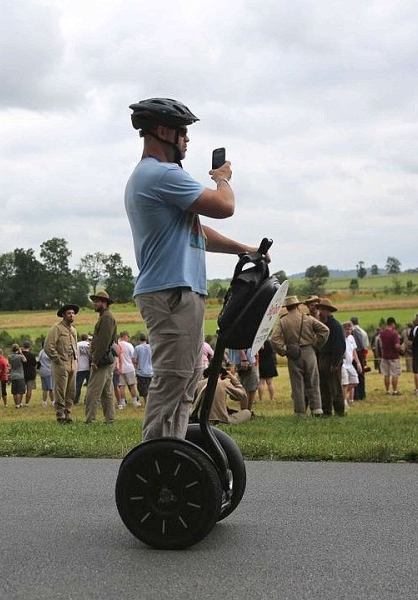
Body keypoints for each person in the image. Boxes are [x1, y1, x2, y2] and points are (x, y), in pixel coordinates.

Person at [125, 97, 258, 441]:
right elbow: (224, 206)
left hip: (178, 291)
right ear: (164, 131)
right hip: (171, 292)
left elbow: (198, 232)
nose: (187, 140)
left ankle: (173, 449)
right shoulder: (160, 173)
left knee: (187, 377)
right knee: (174, 379)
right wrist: (222, 178)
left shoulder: (157, 177)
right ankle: (158, 457)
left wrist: (243, 249)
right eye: (183, 132)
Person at [270, 295, 329, 417]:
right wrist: (316, 344)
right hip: (309, 352)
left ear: (287, 308)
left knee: (297, 385)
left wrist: (284, 351)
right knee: (313, 381)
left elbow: (274, 339)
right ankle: (317, 409)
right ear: (298, 306)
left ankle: (300, 412)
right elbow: (325, 330)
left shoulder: (283, 321)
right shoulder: (307, 319)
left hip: (293, 354)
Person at [84, 291, 117, 424]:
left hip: (101, 360)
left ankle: (90, 419)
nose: (95, 304)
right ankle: (110, 419)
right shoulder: (105, 316)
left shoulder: (106, 318)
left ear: (104, 303)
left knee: (92, 392)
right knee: (106, 392)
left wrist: (95, 361)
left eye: (97, 301)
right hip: (105, 359)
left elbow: (103, 342)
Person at [44, 304, 79, 423]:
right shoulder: (56, 328)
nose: (72, 315)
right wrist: (57, 359)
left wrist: (76, 360)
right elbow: (48, 346)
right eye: (69, 313)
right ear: (63, 315)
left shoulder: (74, 330)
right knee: (60, 390)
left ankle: (68, 413)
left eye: (73, 313)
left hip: (72, 363)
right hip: (61, 364)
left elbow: (75, 346)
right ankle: (60, 415)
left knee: (71, 390)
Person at [317, 298, 346, 417]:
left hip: (332, 360)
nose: (320, 312)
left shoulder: (336, 326)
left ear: (328, 311)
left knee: (335, 388)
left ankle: (339, 411)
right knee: (324, 387)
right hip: (323, 359)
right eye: (320, 309)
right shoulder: (322, 325)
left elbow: (340, 346)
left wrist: (335, 363)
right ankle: (326, 411)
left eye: (322, 310)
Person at [227, 347, 258, 412]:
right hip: (246, 359)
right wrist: (244, 359)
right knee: (248, 386)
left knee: (251, 386)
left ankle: (247, 411)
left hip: (246, 358)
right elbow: (240, 343)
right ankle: (246, 412)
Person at [115, 331, 140, 409]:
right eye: (128, 337)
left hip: (119, 368)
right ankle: (135, 401)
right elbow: (133, 357)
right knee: (132, 385)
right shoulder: (129, 345)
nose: (128, 338)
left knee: (121, 386)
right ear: (124, 336)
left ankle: (122, 402)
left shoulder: (117, 344)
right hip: (129, 367)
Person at [341, 321, 362, 407]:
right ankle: (343, 401)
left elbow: (354, 351)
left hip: (350, 364)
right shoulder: (340, 338)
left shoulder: (351, 338)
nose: (349, 331)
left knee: (355, 382)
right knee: (345, 383)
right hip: (342, 364)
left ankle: (340, 394)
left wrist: (358, 363)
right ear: (343, 329)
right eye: (347, 329)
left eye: (350, 329)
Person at [379, 317, 403, 396]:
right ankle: (395, 391)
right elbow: (396, 346)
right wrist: (401, 348)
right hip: (393, 356)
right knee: (394, 374)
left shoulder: (382, 333)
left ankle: (387, 390)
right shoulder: (394, 333)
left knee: (386, 374)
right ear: (393, 323)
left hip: (385, 355)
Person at [350, 316, 370, 400]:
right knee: (361, 374)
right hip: (362, 353)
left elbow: (359, 344)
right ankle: (362, 394)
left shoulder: (354, 331)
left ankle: (357, 394)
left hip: (357, 353)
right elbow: (366, 344)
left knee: (356, 374)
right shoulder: (363, 331)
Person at [132, 333, 153, 406]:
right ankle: (151, 403)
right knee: (150, 388)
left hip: (141, 372)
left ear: (139, 339)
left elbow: (134, 360)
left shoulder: (137, 348)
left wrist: (139, 362)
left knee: (144, 390)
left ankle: (147, 404)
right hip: (151, 371)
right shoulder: (151, 347)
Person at [8, 343, 27, 409]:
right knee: (20, 391)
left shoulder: (9, 357)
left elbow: (10, 364)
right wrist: (21, 353)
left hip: (13, 375)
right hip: (20, 375)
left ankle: (16, 404)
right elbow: (25, 360)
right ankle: (19, 404)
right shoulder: (20, 356)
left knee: (14, 391)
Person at [74, 333, 91, 405]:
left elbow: (75, 356)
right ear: (87, 338)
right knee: (90, 385)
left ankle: (75, 400)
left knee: (78, 385)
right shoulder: (89, 344)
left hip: (80, 367)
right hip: (88, 367)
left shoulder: (77, 344)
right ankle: (87, 400)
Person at [21, 341, 37, 407]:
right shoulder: (32, 355)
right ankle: (27, 403)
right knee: (29, 389)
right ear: (29, 347)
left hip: (22, 374)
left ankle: (20, 402)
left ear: (23, 346)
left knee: (21, 389)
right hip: (30, 374)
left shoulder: (21, 355)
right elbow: (35, 364)